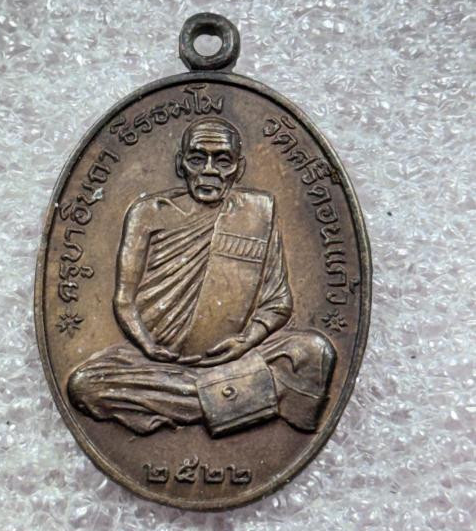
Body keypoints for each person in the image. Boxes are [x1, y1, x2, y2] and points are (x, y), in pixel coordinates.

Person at [68, 117, 336, 437]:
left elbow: (278, 302)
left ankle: (203, 397)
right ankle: (246, 396)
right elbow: (124, 299)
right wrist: (147, 346)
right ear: (181, 164)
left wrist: (245, 342)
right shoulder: (149, 212)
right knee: (85, 384)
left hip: (236, 356)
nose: (209, 170)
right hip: (157, 362)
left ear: (238, 168)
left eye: (222, 161)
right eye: (197, 159)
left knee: (315, 351)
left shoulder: (257, 212)